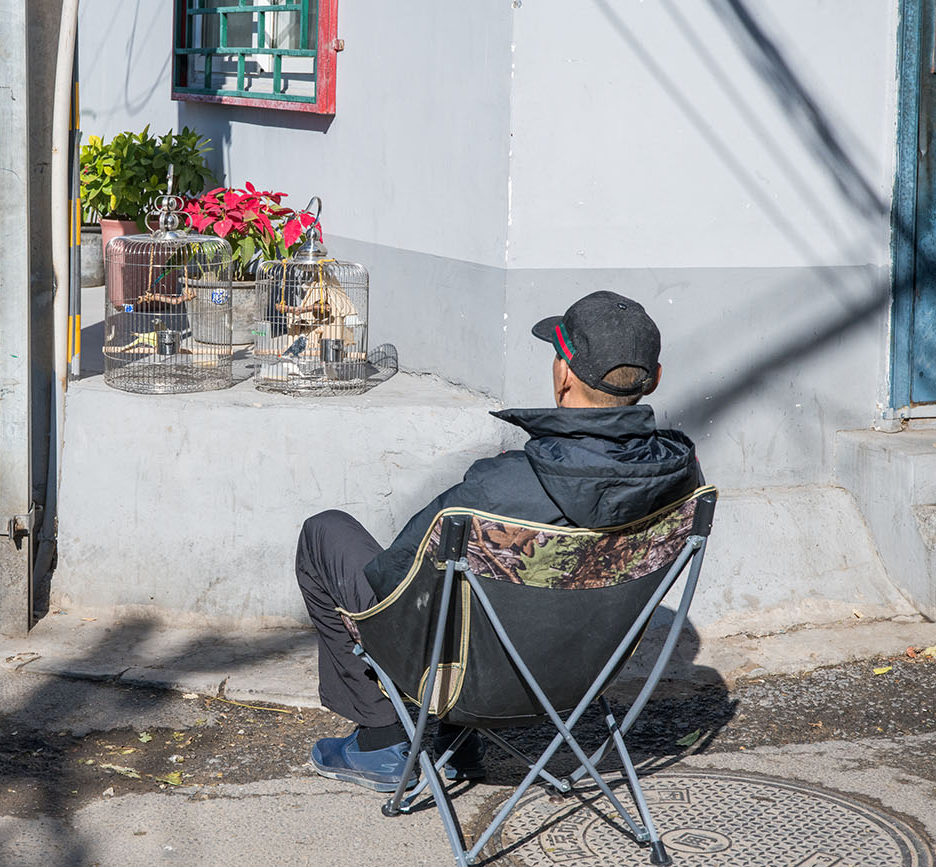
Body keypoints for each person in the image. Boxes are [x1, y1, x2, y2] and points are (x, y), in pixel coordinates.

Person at [295, 290, 704, 792]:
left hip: (472, 682)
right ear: (655, 379)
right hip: (576, 682)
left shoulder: (499, 488)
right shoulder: (684, 480)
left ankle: (384, 739)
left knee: (326, 532)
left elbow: (394, 584)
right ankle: (452, 739)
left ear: (564, 375)